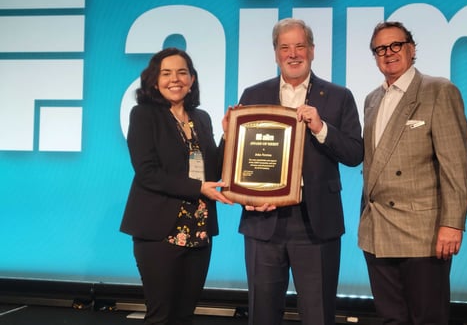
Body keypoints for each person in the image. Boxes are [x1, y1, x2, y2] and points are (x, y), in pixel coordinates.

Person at [224, 18, 363, 325]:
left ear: (312, 50)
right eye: (285, 47)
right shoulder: (253, 94)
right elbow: (235, 160)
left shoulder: (339, 96)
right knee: (261, 314)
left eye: (300, 46)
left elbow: (355, 153)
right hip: (263, 220)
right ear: (276, 54)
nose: (293, 54)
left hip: (316, 224)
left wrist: (322, 128)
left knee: (318, 315)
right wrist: (228, 136)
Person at [358, 21, 467, 325]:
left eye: (396, 45)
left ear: (412, 49)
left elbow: (456, 165)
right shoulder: (371, 99)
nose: (389, 53)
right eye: (380, 49)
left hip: (424, 231)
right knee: (391, 318)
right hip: (378, 230)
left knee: (428, 318)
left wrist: (452, 224)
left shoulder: (438, 91)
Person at [120, 47, 233, 325]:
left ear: (192, 79)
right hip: (159, 233)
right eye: (166, 73)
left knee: (184, 316)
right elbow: (147, 173)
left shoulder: (201, 118)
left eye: (182, 72)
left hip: (199, 229)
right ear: (154, 80)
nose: (175, 79)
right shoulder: (144, 115)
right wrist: (198, 190)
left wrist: (230, 136)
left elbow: (212, 170)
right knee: (161, 316)